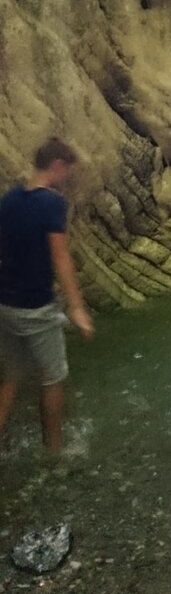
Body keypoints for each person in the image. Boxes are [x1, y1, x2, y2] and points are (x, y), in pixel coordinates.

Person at [0, 138, 94, 453]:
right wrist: (76, 307)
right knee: (53, 378)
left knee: (11, 379)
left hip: (6, 304)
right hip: (36, 307)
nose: (67, 177)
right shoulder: (51, 203)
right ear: (57, 165)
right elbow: (61, 256)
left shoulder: (10, 199)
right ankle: (55, 453)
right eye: (67, 170)